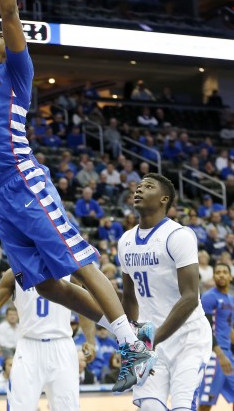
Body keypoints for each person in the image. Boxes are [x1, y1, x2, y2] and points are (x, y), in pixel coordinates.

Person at [0, 0, 156, 392]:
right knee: (44, 285)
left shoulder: (17, 71)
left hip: (22, 180)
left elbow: (9, 12)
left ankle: (132, 347)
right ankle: (126, 335)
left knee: (79, 264)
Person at [117, 172, 213, 405]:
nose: (139, 190)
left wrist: (149, 343)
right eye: (138, 186)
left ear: (164, 199)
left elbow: (190, 297)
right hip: (150, 338)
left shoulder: (179, 236)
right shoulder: (125, 241)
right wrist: (131, 342)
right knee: (150, 406)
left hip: (187, 337)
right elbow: (129, 297)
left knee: (182, 405)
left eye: (148, 186)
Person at [0, 268, 96, 410]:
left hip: (62, 344)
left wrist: (90, 340)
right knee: (19, 406)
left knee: (68, 407)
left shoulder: (69, 272)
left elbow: (84, 308)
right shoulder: (14, 272)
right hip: (29, 346)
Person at [198, 263, 234, 410]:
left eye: (224, 272)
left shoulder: (231, 299)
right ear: (213, 276)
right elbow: (206, 329)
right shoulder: (209, 297)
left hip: (227, 354)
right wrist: (220, 355)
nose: (221, 275)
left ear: (231, 277)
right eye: (218, 272)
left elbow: (229, 330)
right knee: (207, 402)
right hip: (214, 354)